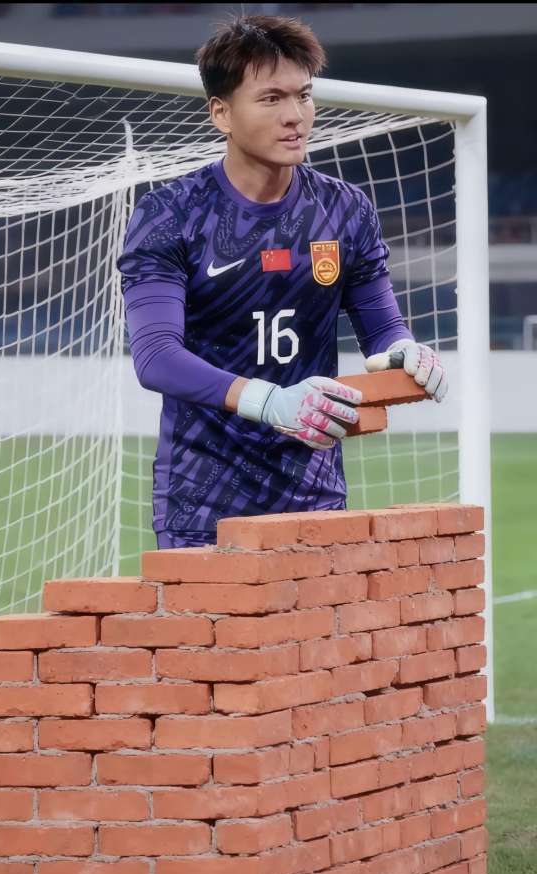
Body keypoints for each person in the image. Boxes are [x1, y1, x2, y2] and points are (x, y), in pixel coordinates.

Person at [117, 14, 448, 551]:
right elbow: (155, 357)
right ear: (221, 113)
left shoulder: (345, 210)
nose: (295, 115)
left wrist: (405, 352)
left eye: (304, 95)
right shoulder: (170, 215)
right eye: (271, 99)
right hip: (204, 499)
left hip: (315, 493)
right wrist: (270, 401)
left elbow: (382, 330)